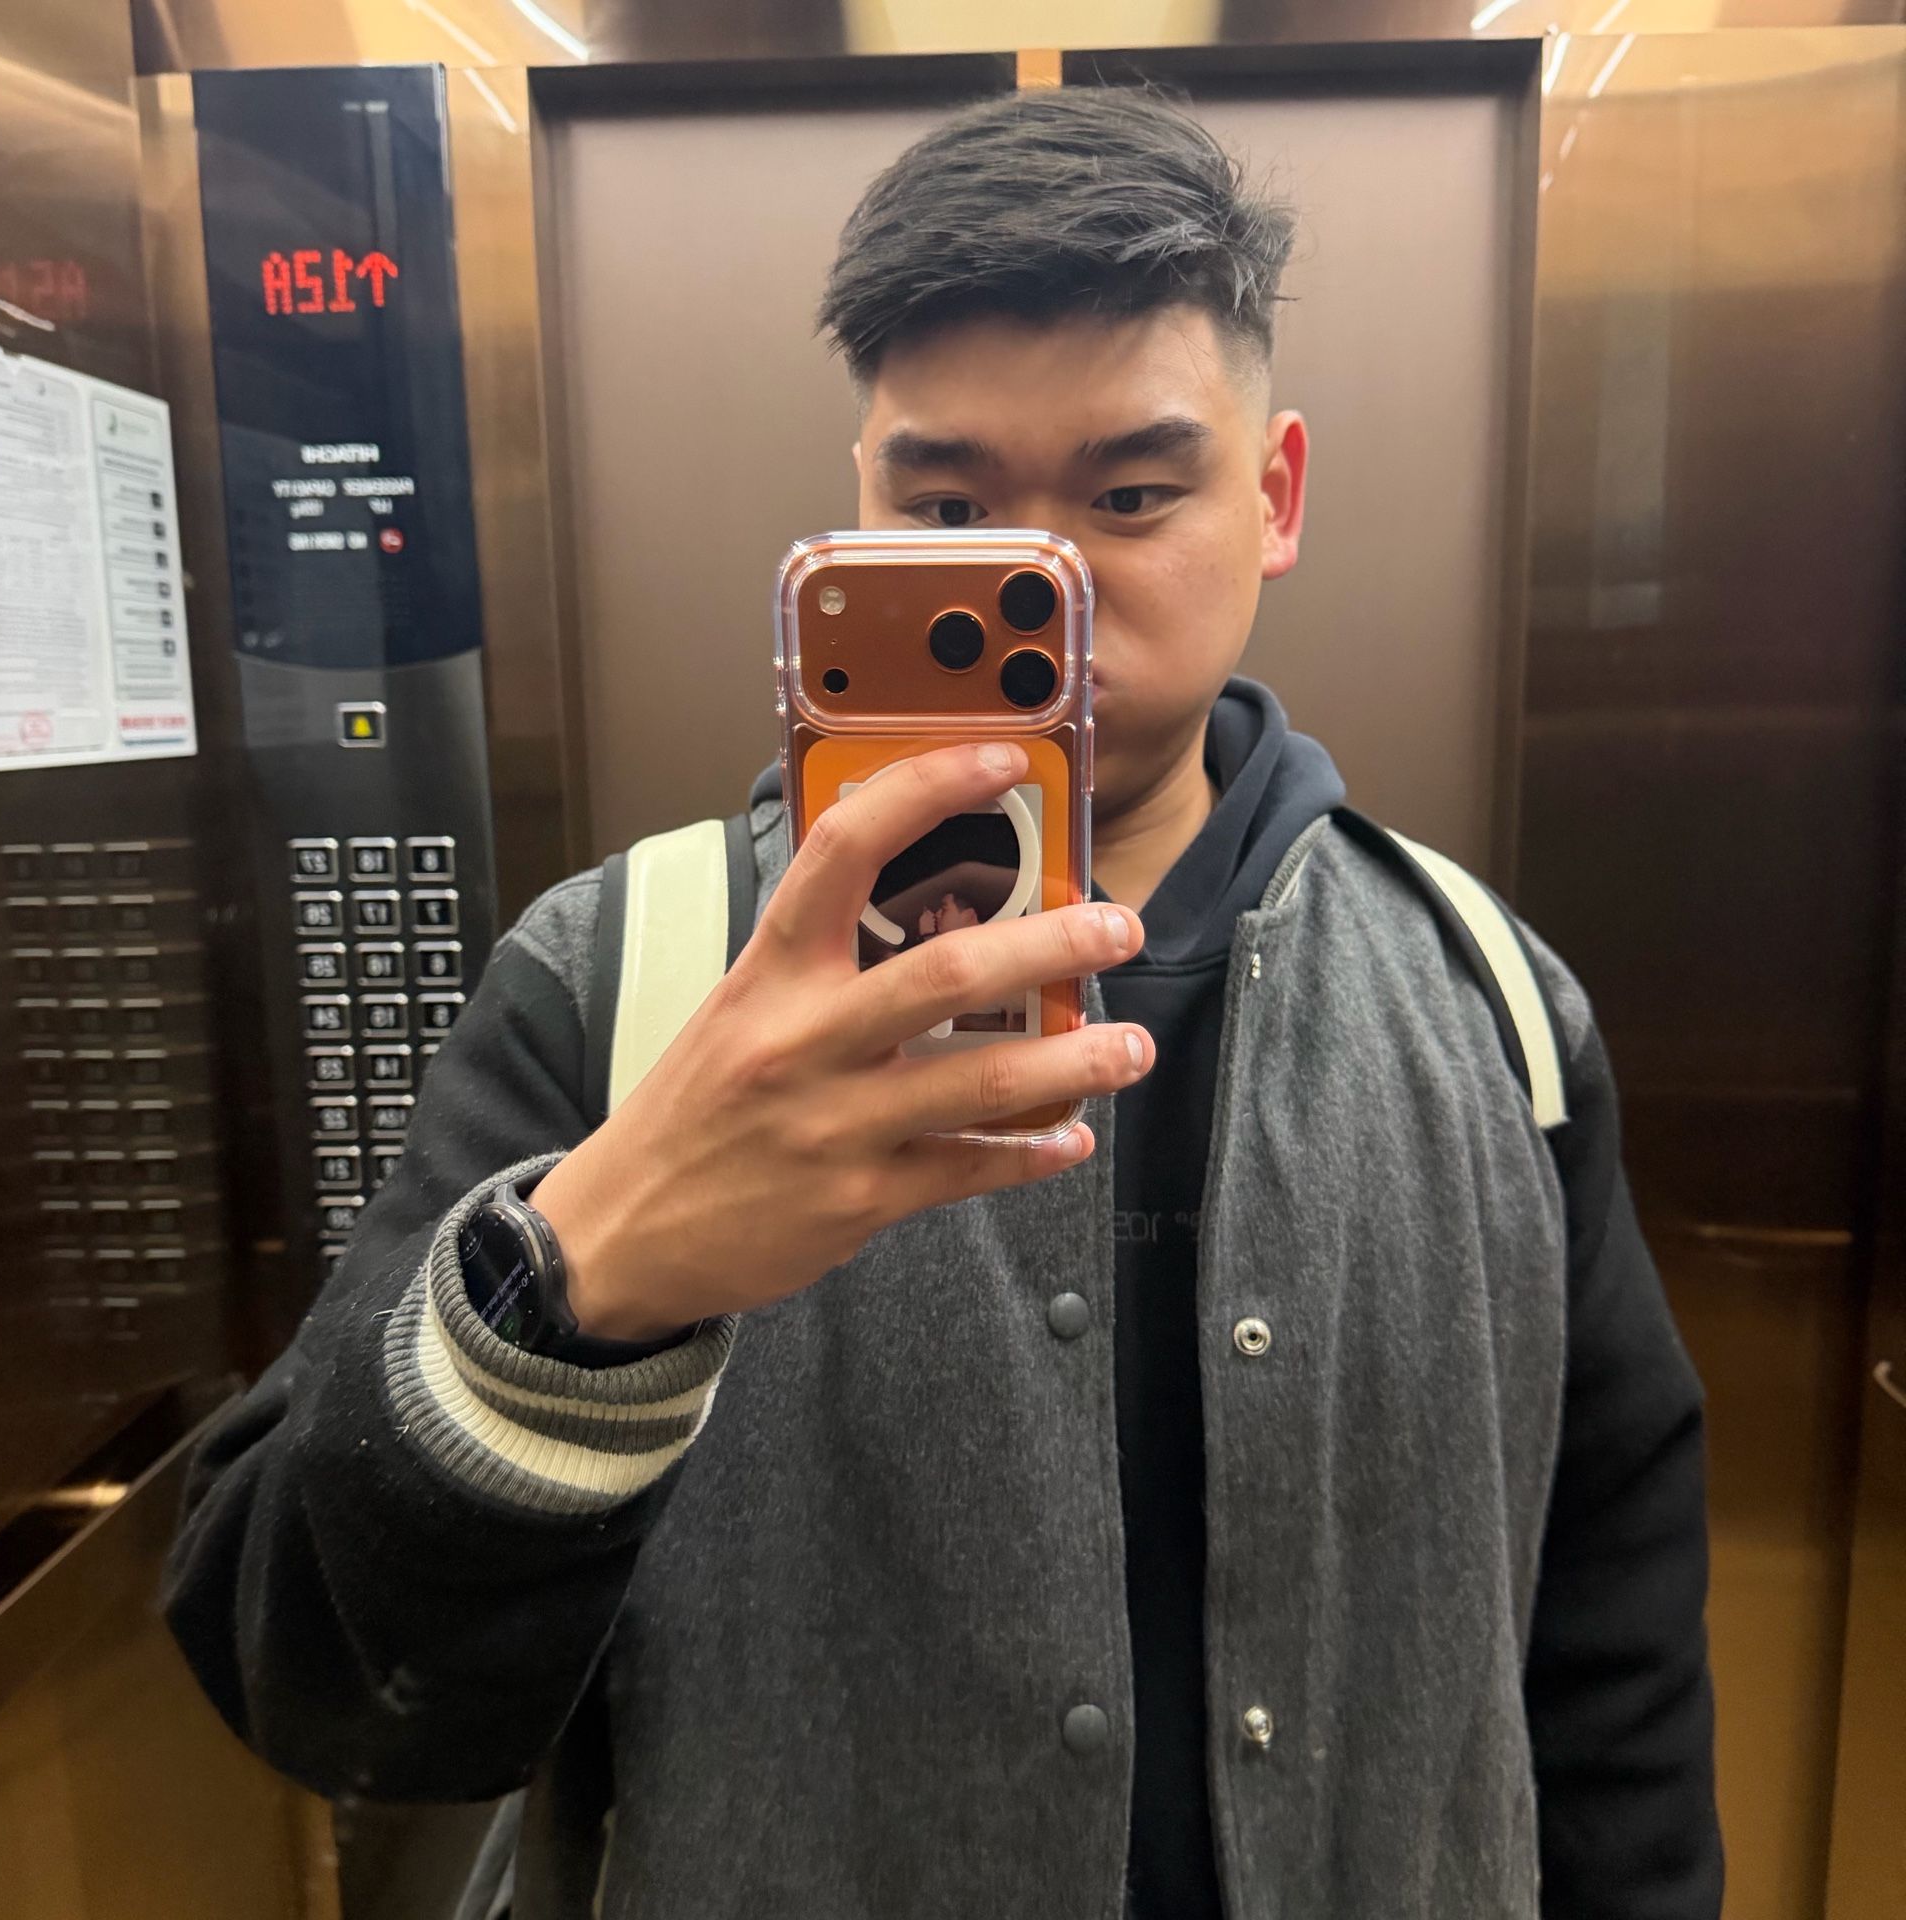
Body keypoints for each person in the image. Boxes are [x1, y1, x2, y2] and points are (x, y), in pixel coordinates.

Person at [162, 87, 1722, 1919]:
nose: (1048, 584)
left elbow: (1610, 1654)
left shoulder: (1491, 1004)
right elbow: (315, 1683)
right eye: (951, 506)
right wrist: (579, 1291)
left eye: (1132, 496)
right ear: (863, 507)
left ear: (1275, 495)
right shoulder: (617, 984)